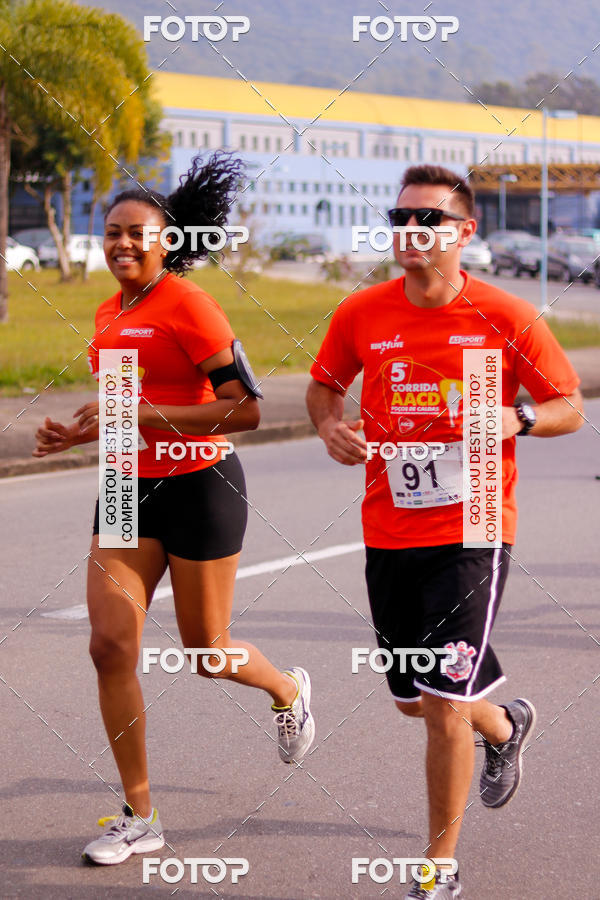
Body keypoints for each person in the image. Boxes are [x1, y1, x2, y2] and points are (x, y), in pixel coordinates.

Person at [306, 164, 583, 898]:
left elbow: (569, 406)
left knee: (440, 706)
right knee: (411, 698)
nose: (410, 231)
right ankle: (504, 724)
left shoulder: (507, 316)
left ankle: (437, 868)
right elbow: (324, 385)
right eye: (400, 217)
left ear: (464, 232)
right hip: (389, 530)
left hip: (477, 527)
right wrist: (331, 426)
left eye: (427, 219)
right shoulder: (361, 312)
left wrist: (515, 417)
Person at [33, 152, 314, 865]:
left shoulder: (189, 305)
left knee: (206, 651)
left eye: (137, 232)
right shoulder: (107, 311)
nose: (122, 243)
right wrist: (78, 431)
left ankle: (285, 689)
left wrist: (143, 412)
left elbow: (245, 410)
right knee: (108, 646)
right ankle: (140, 813)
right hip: (127, 485)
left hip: (201, 488)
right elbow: (125, 410)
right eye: (112, 232)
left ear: (166, 241)